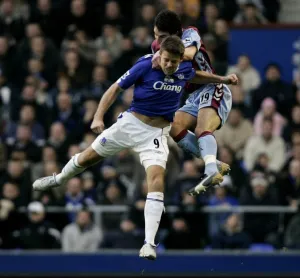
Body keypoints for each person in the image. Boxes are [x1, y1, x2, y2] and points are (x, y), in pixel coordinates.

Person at [33, 36, 237, 260]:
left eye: (174, 62)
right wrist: (98, 117)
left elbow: (196, 75)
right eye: (167, 60)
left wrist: (223, 79)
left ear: (180, 60)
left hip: (156, 134)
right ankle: (59, 178)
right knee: (87, 159)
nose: (170, 65)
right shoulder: (144, 65)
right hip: (130, 125)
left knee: (157, 179)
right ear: (160, 56)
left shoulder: (184, 68)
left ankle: (149, 244)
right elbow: (114, 88)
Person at [152, 10, 235, 194]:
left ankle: (211, 171)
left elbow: (188, 55)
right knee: (173, 127)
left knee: (201, 129)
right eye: (156, 35)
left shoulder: (190, 34)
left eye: (162, 37)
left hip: (212, 86)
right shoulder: (157, 48)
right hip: (193, 95)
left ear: (176, 34)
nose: (158, 41)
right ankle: (213, 163)